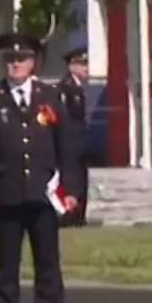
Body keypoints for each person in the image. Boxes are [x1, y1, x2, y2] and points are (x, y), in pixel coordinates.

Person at [0, 32, 84, 303]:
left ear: (33, 62)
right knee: (6, 264)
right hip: (5, 194)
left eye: (21, 59)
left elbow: (66, 148)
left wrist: (71, 191)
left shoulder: (50, 97)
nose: (15, 65)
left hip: (43, 194)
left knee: (48, 263)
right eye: (9, 59)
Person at [56, 47, 91, 227]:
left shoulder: (76, 87)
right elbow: (67, 119)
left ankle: (79, 216)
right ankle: (72, 215)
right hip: (71, 143)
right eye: (82, 64)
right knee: (74, 179)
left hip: (79, 143)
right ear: (72, 66)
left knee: (81, 179)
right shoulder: (67, 88)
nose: (87, 69)